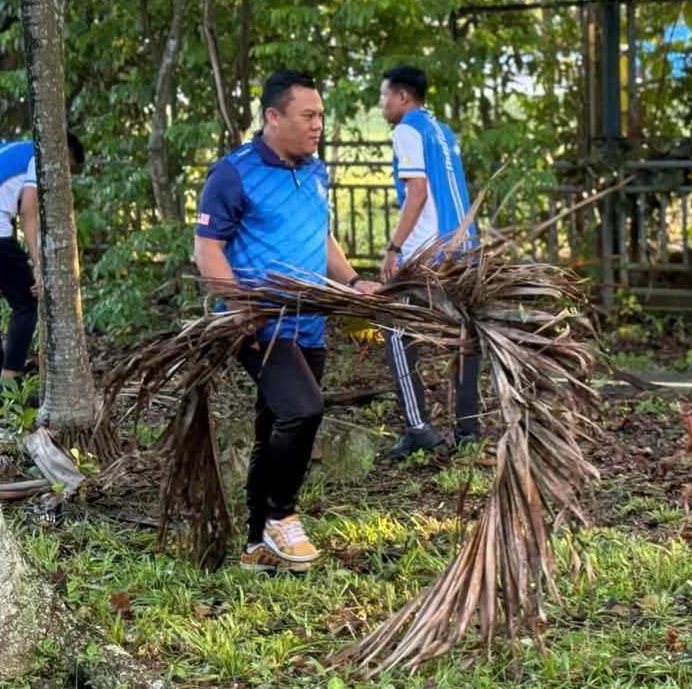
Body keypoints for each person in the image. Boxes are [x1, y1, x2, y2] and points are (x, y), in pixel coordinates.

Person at [195, 70, 379, 574]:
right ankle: (281, 516)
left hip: (309, 320)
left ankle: (256, 545)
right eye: (308, 115)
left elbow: (322, 235)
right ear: (273, 117)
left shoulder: (315, 171)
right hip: (259, 323)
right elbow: (207, 249)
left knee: (274, 422)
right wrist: (239, 309)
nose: (318, 124)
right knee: (303, 409)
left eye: (321, 115)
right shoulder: (233, 173)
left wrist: (353, 281)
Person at [377, 65, 481, 462]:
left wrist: (394, 248)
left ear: (403, 97)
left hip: (429, 254)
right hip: (465, 249)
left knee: (394, 326)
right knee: (465, 335)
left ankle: (418, 427)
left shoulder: (407, 129)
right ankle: (468, 429)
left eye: (385, 96)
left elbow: (417, 193)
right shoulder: (443, 131)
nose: (382, 104)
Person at [0, 133, 85, 401]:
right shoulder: (40, 155)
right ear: (64, 153)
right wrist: (38, 264)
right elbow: (28, 210)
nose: (64, 175)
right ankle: (8, 384)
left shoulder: (4, 150)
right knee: (28, 302)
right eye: (68, 167)